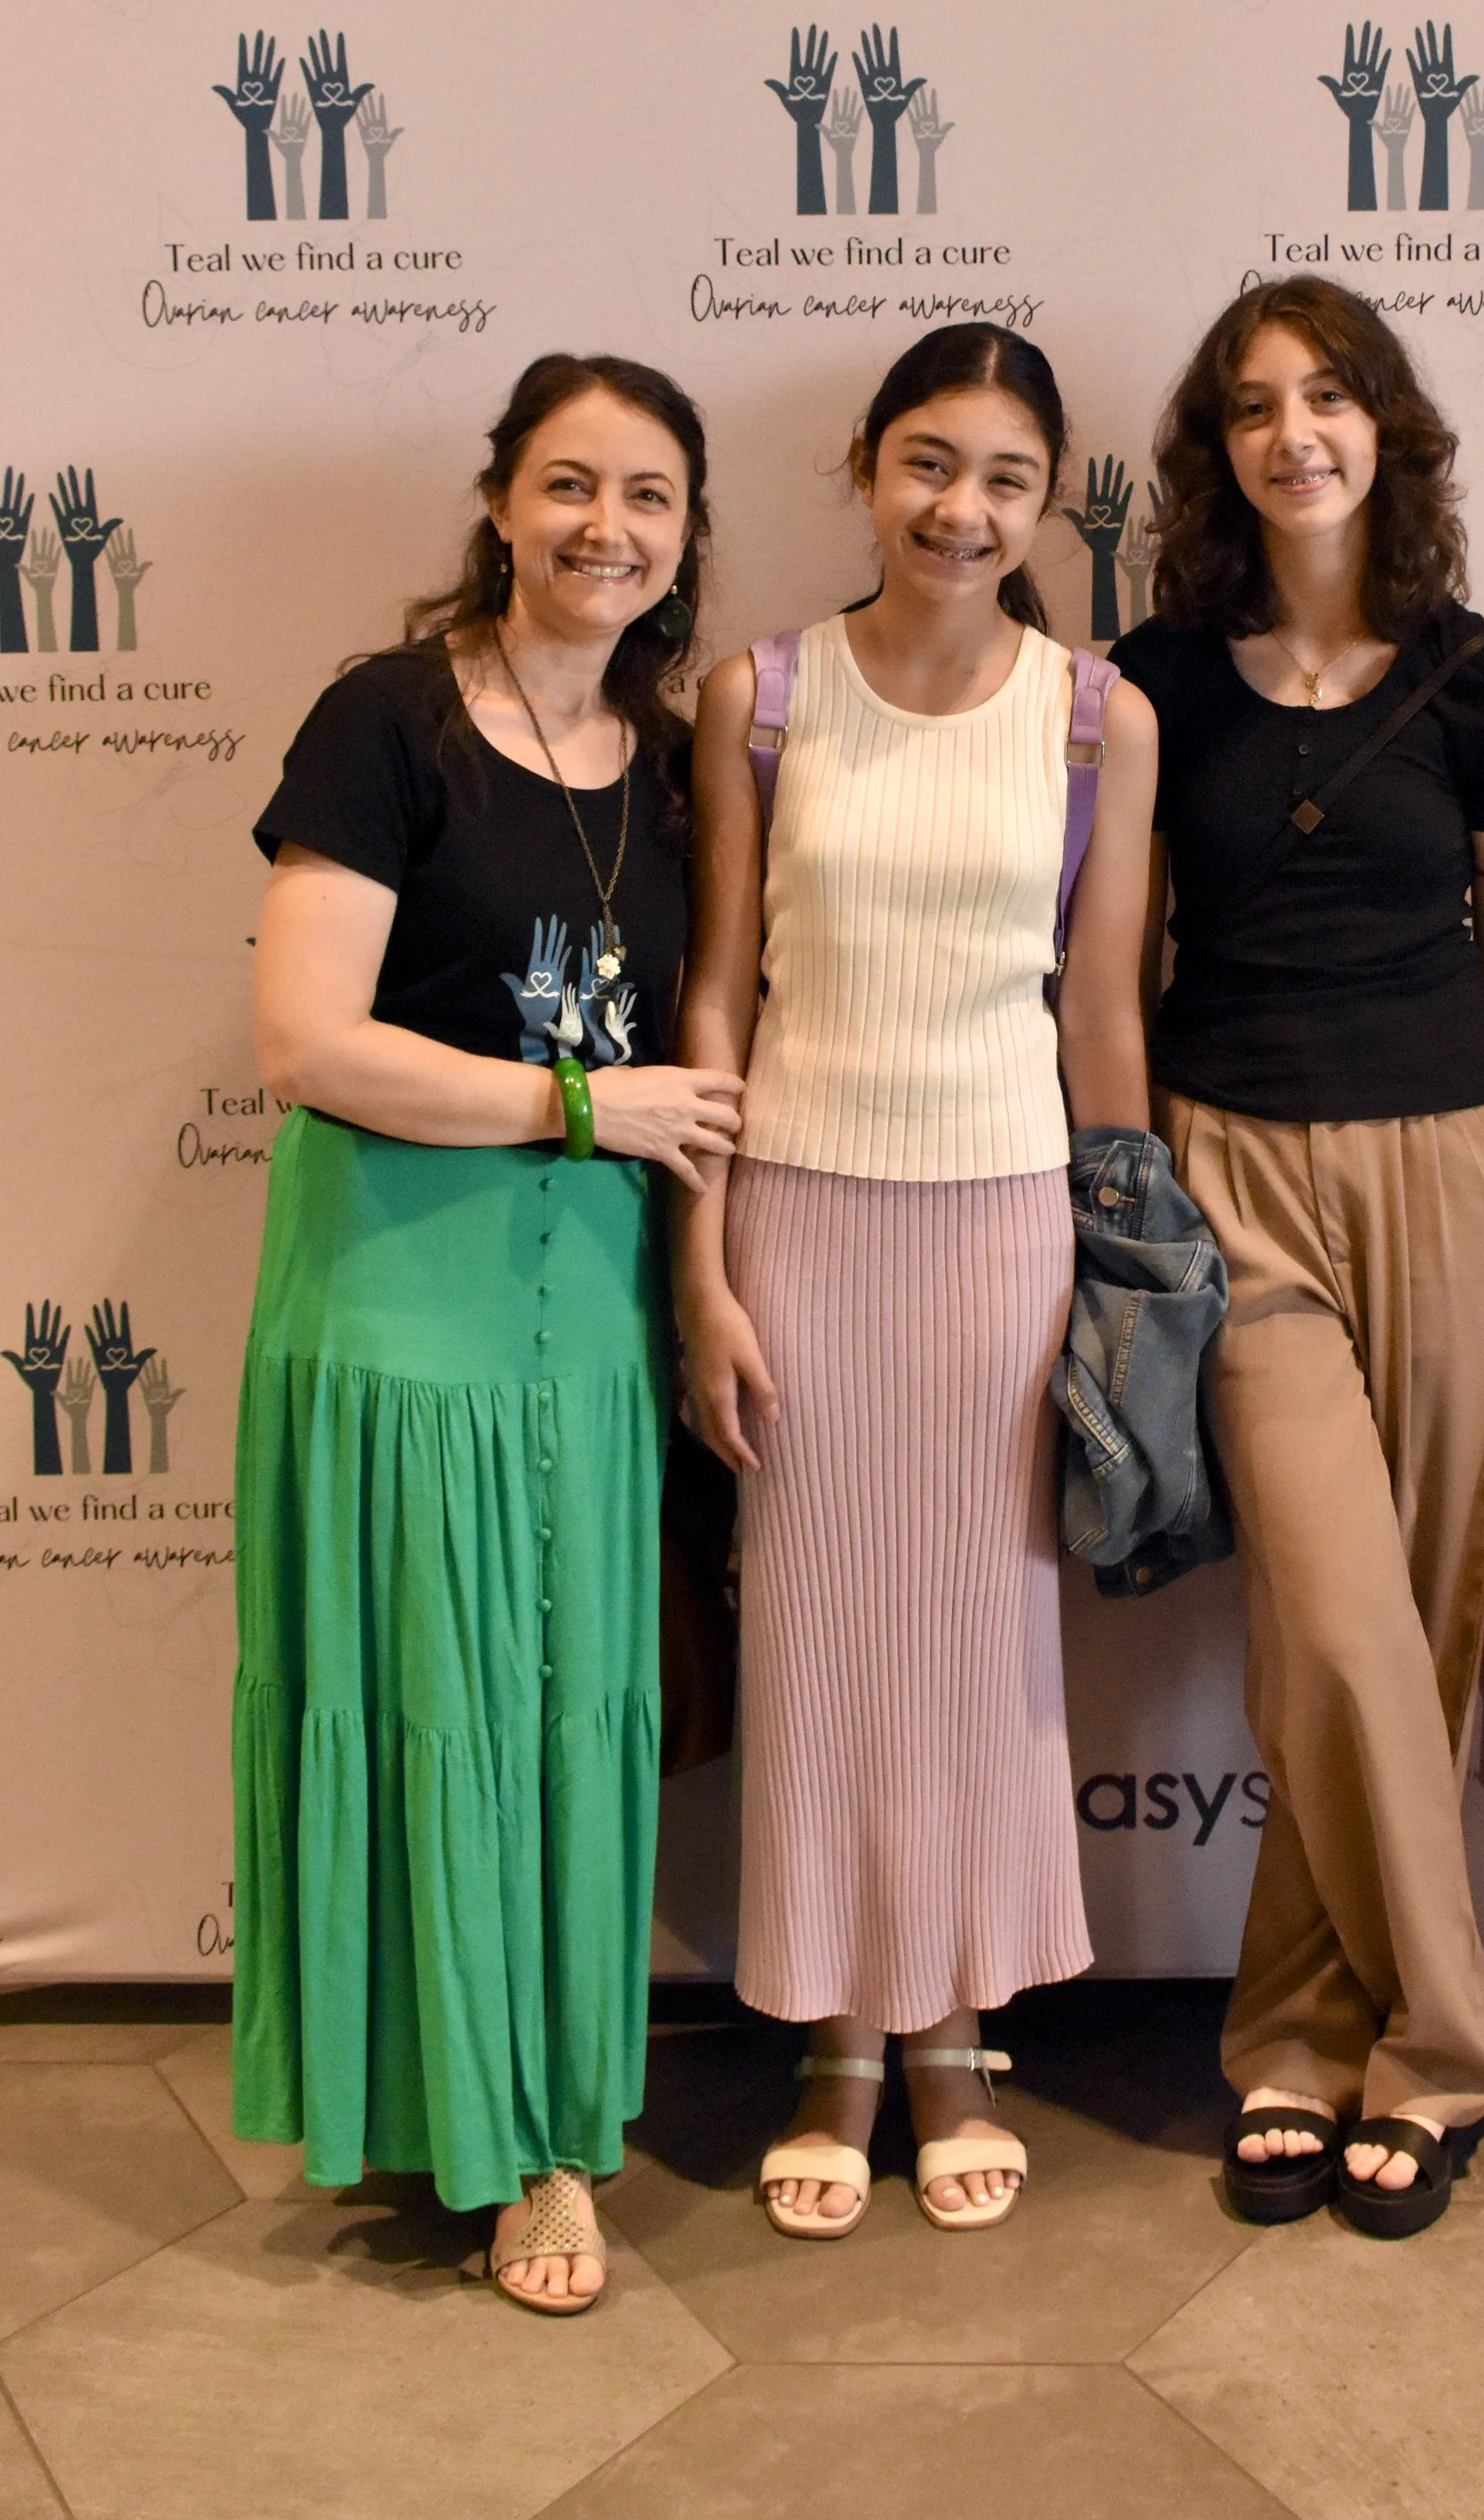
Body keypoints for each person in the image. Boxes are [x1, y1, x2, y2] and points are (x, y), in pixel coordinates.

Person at [233, 353, 740, 2314]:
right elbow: (306, 1044)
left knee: (560, 1726)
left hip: (586, 1321)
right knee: (432, 1706)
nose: (603, 529)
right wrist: (580, 1108)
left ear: (689, 537)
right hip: (397, 1299)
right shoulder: (388, 720)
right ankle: (464, 2126)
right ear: (502, 503)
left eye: (648, 500)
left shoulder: (673, 758)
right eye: (568, 487)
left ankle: (545, 2130)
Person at [679, 322, 1156, 2238]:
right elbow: (719, 989)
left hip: (1005, 1227)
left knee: (978, 1644)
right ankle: (834, 2043)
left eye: (1007, 480)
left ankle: (953, 2033)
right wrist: (697, 1265)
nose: (963, 509)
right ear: (867, 469)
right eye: (928, 464)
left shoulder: (1094, 716)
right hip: (796, 1210)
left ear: (1047, 502)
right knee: (812, 1638)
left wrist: (1136, 1281)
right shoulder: (761, 694)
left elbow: (1103, 1013)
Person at [1113, 274, 1484, 2238]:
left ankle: (1293, 2039)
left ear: (1388, 429)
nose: (1293, 431)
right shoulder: (1150, 678)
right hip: (1230, 1174)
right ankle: (1444, 2053)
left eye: (1330, 395)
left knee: (1390, 1639)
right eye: (1253, 404)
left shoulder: (1481, 681)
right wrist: (1125, 1183)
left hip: (1450, 1160)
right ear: (1217, 450)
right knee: (1342, 1619)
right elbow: (1114, 963)